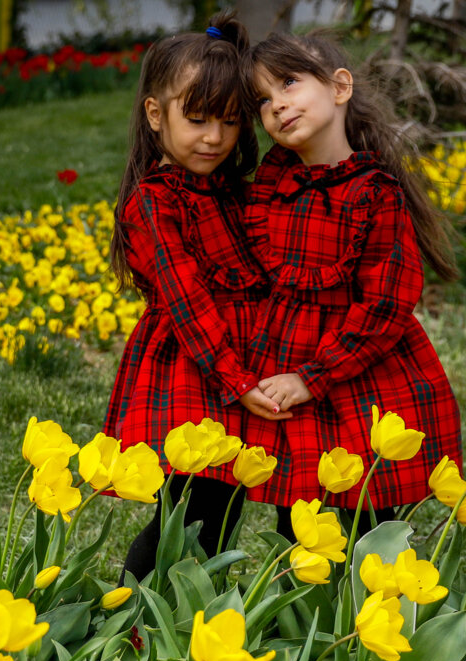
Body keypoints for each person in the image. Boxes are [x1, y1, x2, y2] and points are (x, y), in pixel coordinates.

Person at [241, 32, 464, 535]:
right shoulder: (271, 190)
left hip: (361, 373)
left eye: (290, 83)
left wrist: (314, 375)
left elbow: (387, 305)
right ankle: (304, 610)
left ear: (340, 87)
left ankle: (376, 603)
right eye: (262, 99)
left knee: (366, 508)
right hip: (287, 367)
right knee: (298, 513)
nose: (276, 105)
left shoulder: (374, 193)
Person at [105, 13, 287, 582]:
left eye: (230, 122)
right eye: (198, 118)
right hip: (192, 367)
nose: (214, 137)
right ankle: (134, 620)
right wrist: (237, 379)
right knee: (188, 508)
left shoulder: (230, 191)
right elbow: (187, 303)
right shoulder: (154, 203)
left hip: (240, 366)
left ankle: (189, 615)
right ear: (156, 115)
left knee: (224, 508)